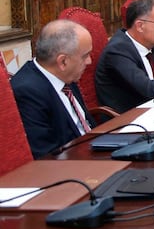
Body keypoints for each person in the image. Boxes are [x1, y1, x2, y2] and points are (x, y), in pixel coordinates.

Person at [11, 20, 96, 158]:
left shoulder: (65, 74)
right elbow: (46, 154)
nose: (89, 61)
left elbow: (86, 124)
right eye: (85, 56)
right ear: (63, 61)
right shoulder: (27, 92)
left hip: (93, 151)